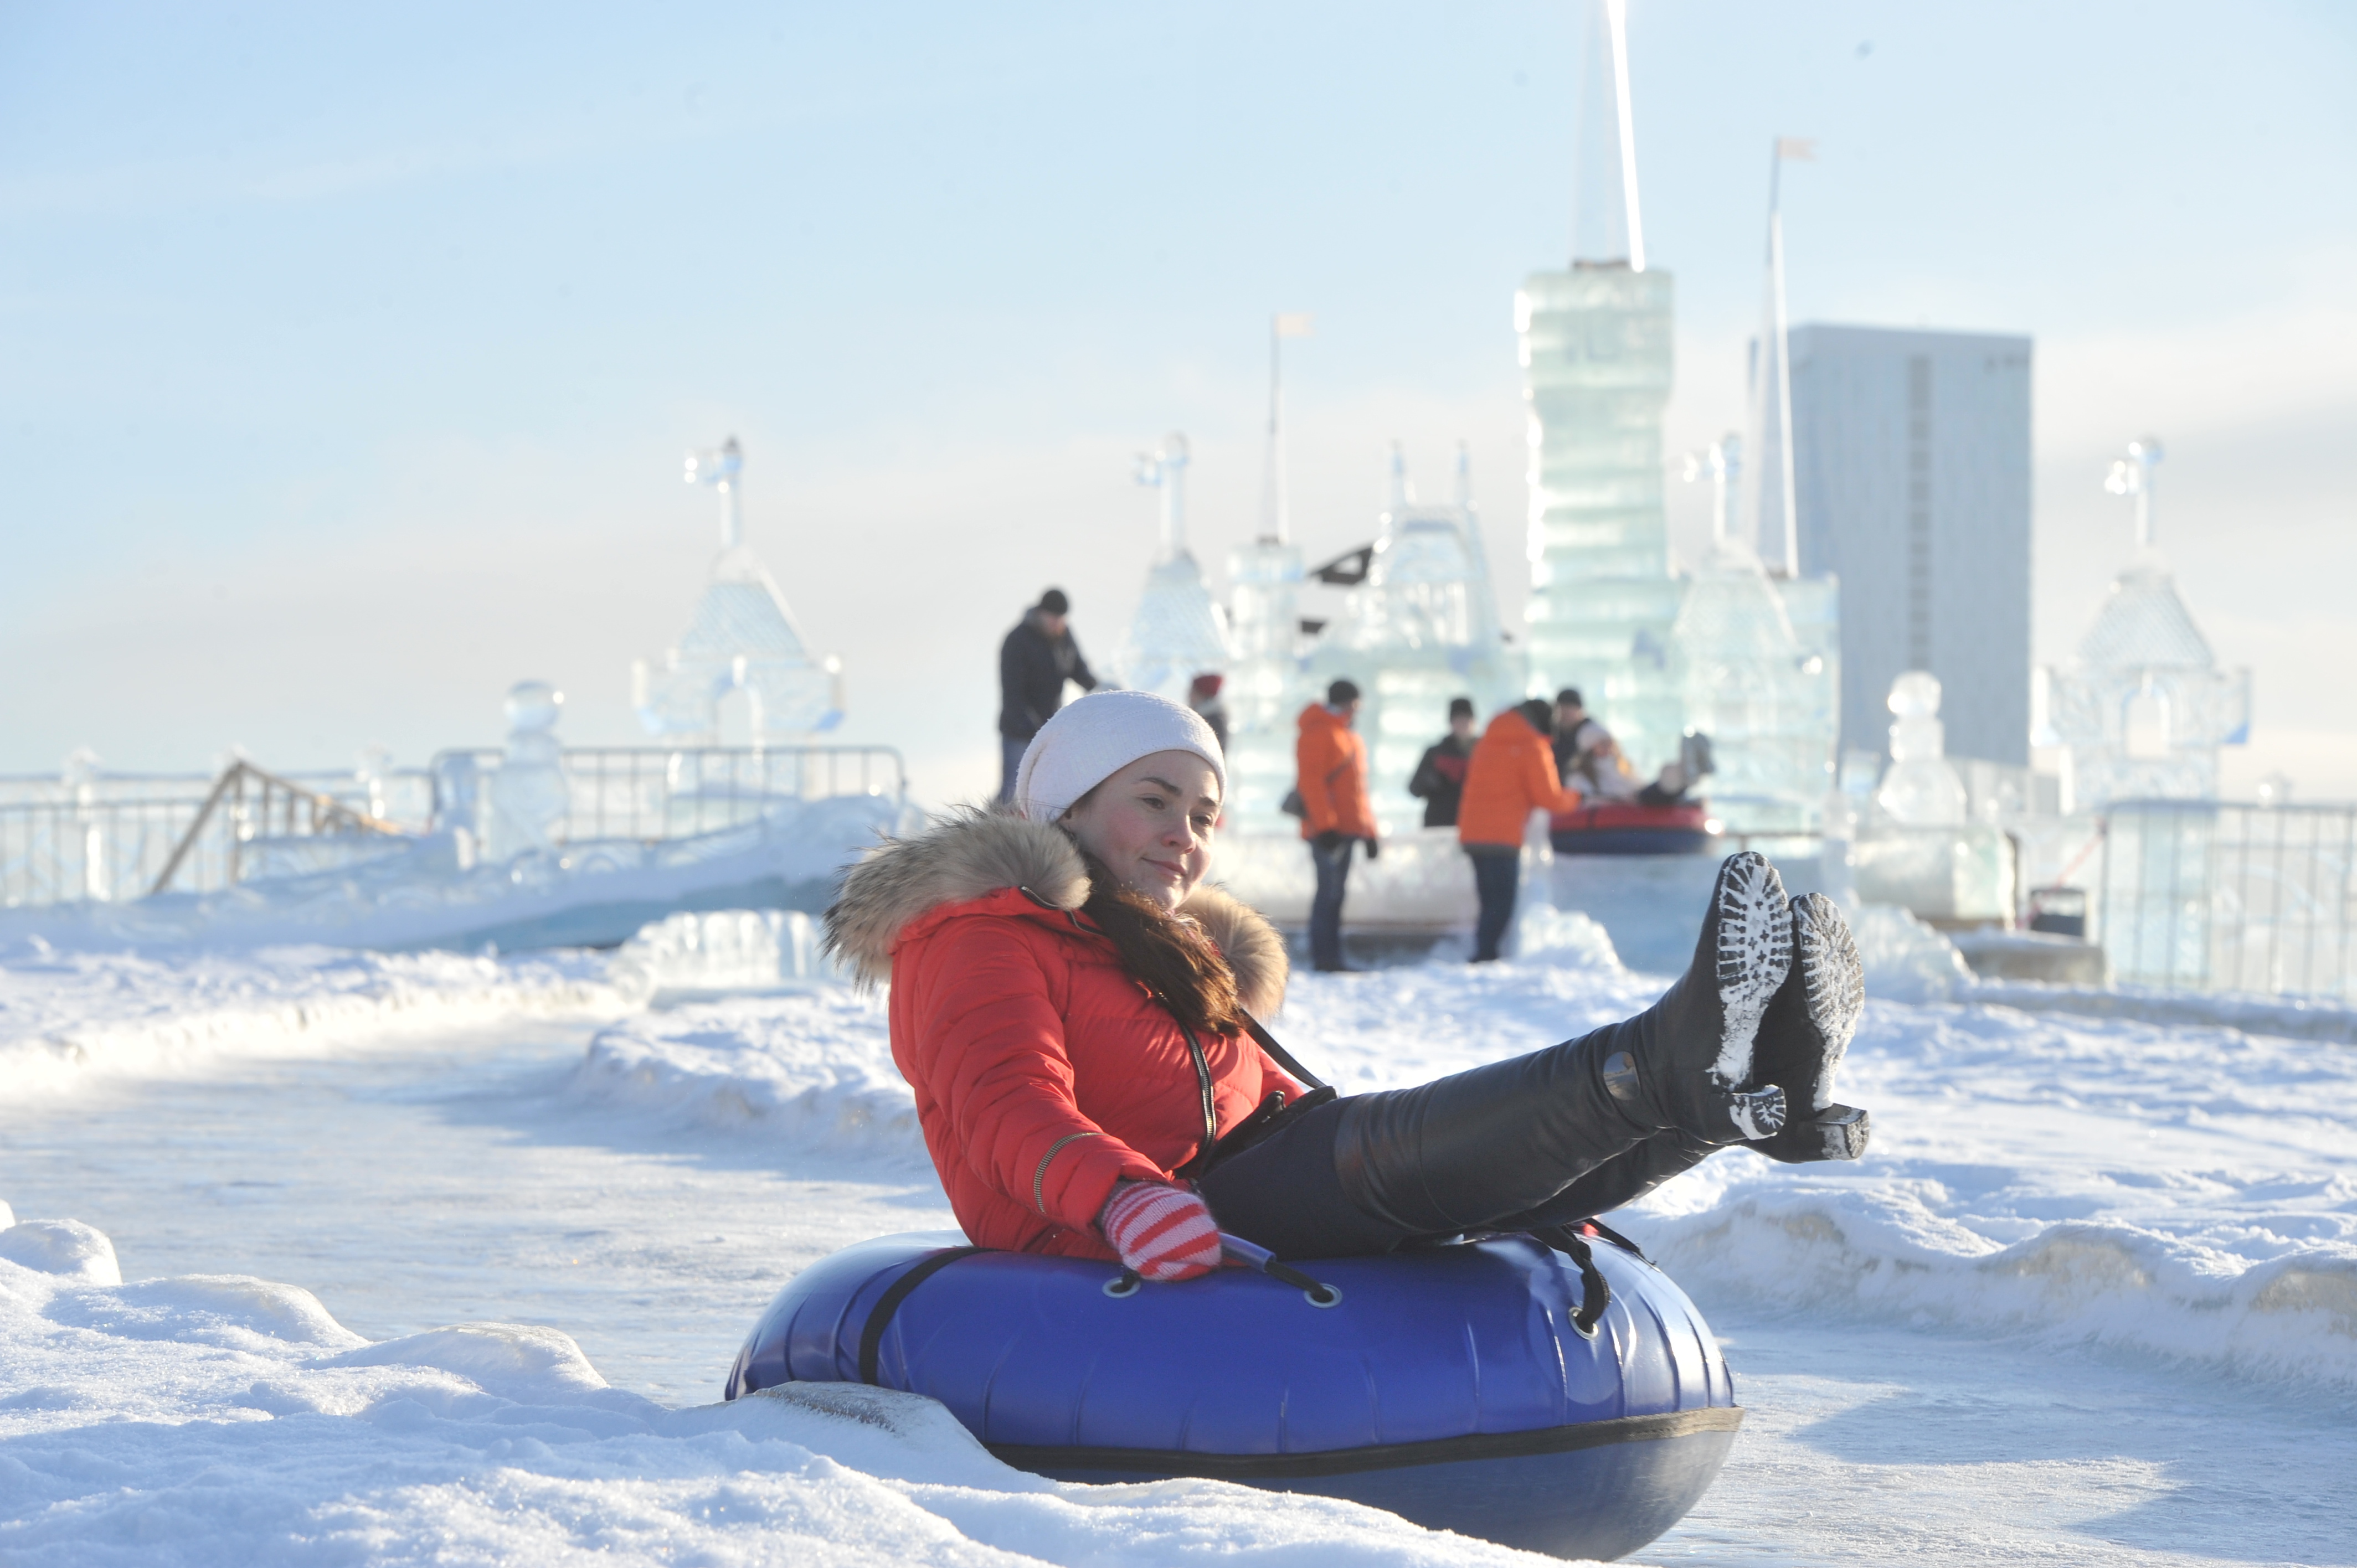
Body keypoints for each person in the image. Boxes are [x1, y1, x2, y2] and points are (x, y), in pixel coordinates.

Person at [824, 688, 1871, 1288]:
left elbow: (1259, 1104)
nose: (1184, 837)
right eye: (1156, 801)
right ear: (1067, 806)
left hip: (1230, 1184)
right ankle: (1667, 1053)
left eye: (1204, 816)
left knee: (1435, 1156)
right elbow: (1008, 1106)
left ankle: (1746, 1089)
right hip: (1130, 1222)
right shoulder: (979, 937)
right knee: (1379, 1157)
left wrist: (1515, 1185)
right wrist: (1121, 1194)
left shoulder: (1150, 950)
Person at [1458, 699, 1585, 962]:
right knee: (1502, 903)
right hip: (1503, 837)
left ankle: (1484, 953)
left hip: (1473, 833)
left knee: (1488, 900)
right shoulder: (1532, 746)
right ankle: (1485, 956)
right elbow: (1549, 798)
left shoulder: (1488, 740)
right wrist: (1577, 797)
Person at [1295, 679, 1378, 973]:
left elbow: (1357, 791)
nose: (1358, 711)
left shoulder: (1346, 734)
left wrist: (1370, 831)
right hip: (1329, 833)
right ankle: (1325, 957)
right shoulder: (1322, 732)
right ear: (1346, 703)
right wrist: (1326, 827)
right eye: (1355, 704)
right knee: (1328, 894)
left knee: (1335, 895)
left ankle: (1332, 956)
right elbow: (1312, 785)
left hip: (1345, 829)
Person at [999, 589, 1099, 802]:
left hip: (1050, 727)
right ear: (1040, 613)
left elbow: (1077, 668)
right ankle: (991, 832)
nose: (1056, 623)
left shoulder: (1064, 636)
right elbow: (1013, 693)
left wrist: (1098, 688)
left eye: (1061, 618)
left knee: (1049, 790)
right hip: (1019, 731)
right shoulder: (1017, 640)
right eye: (1052, 617)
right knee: (1011, 791)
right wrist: (1031, 727)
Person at [1555, 689, 1710, 807]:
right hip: (1624, 809)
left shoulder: (1619, 766)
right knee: (1651, 796)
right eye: (1602, 744)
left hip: (1636, 806)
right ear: (1590, 749)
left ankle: (1684, 773)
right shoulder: (1580, 775)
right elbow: (1584, 799)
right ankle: (1682, 774)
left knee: (1660, 787)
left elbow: (1636, 786)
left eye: (1609, 743)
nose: (1608, 748)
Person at [1406, 697, 1478, 828]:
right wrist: (1430, 781)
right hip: (1439, 825)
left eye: (1466, 720)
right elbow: (1414, 789)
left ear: (1474, 721)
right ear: (1451, 723)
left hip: (1475, 826)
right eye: (1458, 720)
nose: (1463, 724)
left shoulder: (1484, 754)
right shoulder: (1436, 754)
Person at [1186, 672, 1229, 756]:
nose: (1189, 696)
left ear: (1202, 694)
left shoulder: (1212, 720)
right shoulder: (1213, 716)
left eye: (1193, 691)